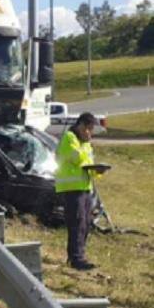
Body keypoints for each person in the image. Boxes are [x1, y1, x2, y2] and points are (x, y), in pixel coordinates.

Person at [55, 112, 103, 270]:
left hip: (85, 187)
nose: (90, 132)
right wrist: (85, 144)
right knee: (77, 222)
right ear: (80, 125)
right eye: (88, 129)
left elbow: (89, 163)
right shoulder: (70, 138)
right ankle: (75, 258)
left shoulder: (85, 143)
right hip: (71, 188)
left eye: (91, 130)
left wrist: (98, 171)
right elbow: (77, 159)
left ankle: (80, 255)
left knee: (85, 223)